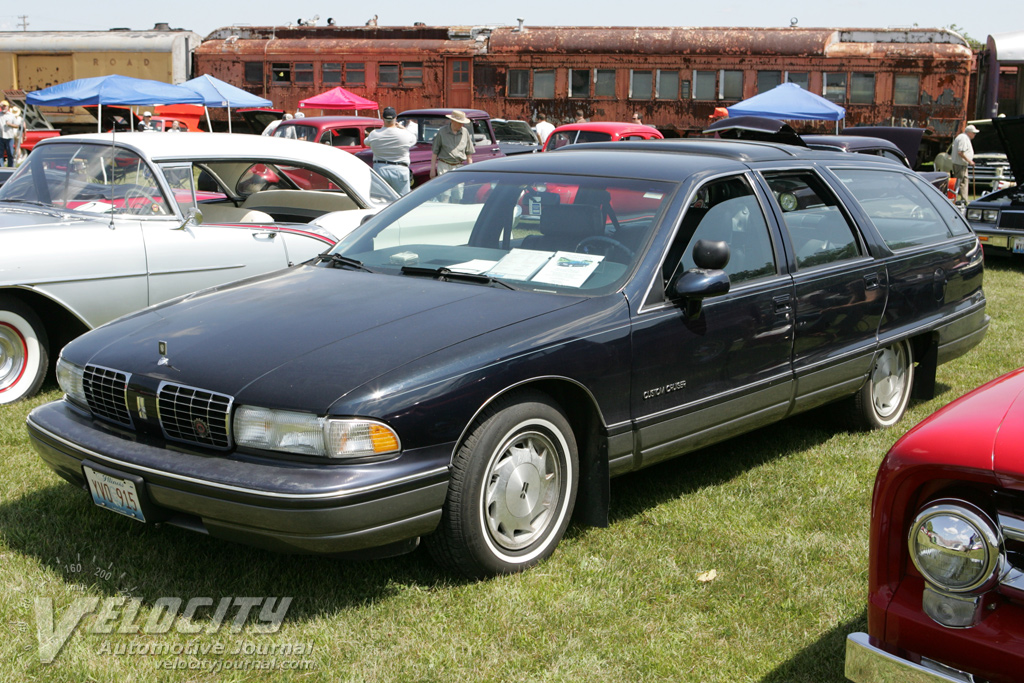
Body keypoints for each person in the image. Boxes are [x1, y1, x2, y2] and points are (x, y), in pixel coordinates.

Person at [366, 106, 417, 195]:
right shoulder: (404, 134)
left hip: (380, 168)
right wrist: (403, 128)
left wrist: (382, 129)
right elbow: (413, 139)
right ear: (395, 118)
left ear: (383, 118)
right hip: (399, 169)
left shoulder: (374, 134)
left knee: (380, 199)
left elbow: (366, 142)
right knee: (401, 200)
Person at [429, 110, 474, 180]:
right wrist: (432, 170)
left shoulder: (465, 132)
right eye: (459, 123)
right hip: (444, 165)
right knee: (444, 189)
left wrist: (470, 170)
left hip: (459, 166)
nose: (462, 125)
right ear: (452, 121)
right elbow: (435, 152)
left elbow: (469, 153)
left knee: (459, 190)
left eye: (462, 123)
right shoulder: (442, 132)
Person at [951, 123, 978, 205]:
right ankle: (961, 199)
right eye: (974, 133)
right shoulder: (963, 138)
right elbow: (960, 152)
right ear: (969, 132)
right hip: (960, 164)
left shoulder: (964, 137)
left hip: (962, 164)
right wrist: (970, 161)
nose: (975, 135)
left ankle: (964, 199)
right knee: (961, 182)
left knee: (964, 181)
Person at [0, 101, 20, 166]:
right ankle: (1, 168)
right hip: (1, 137)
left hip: (9, 137)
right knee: (0, 154)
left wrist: (10, 124)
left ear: (8, 107)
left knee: (10, 153)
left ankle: (10, 167)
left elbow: (17, 126)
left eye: (4, 106)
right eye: (2, 106)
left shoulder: (11, 115)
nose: (3, 107)